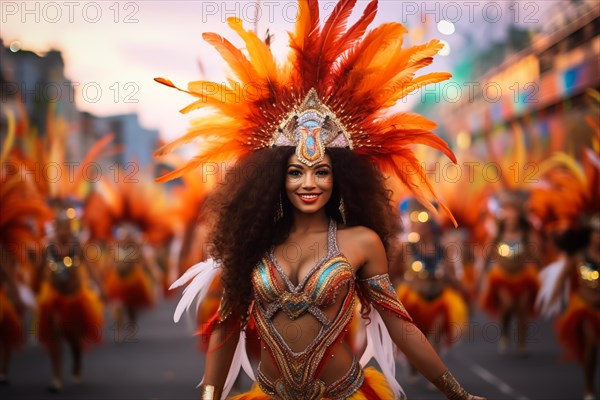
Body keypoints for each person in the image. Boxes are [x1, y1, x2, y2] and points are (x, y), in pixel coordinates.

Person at [158, 1, 486, 398]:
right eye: (295, 172)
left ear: (341, 178)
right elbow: (226, 327)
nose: (308, 183)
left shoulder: (362, 242)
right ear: (274, 178)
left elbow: (401, 326)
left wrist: (459, 394)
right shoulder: (250, 243)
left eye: (322, 171)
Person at [36, 205, 105, 392]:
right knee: (56, 330)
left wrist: (100, 287)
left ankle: (77, 361)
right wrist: (34, 289)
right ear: (56, 227)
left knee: (74, 336)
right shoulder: (47, 245)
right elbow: (40, 270)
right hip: (54, 296)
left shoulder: (77, 244)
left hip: (75, 296)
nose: (64, 230)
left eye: (67, 226)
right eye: (61, 226)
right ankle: (57, 377)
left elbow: (89, 268)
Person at [479, 191, 540, 356]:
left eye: (513, 211)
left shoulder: (528, 234)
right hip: (502, 277)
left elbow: (538, 256)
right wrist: (479, 278)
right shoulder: (497, 234)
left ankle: (521, 343)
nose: (510, 215)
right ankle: (505, 333)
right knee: (507, 305)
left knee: (522, 308)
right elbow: (485, 256)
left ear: (519, 215)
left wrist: (530, 253)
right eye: (506, 211)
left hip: (523, 276)